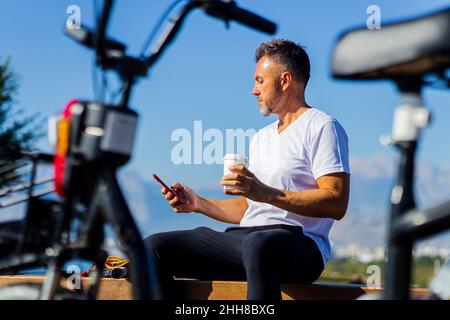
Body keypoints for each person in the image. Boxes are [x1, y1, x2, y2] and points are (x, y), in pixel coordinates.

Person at [145, 39, 350, 300]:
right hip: (248, 239)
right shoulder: (261, 138)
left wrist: (265, 193)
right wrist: (197, 203)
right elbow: (251, 208)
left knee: (258, 244)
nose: (254, 90)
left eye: (260, 80)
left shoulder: (322, 126)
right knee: (154, 248)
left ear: (285, 80)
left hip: (302, 246)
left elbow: (336, 202)